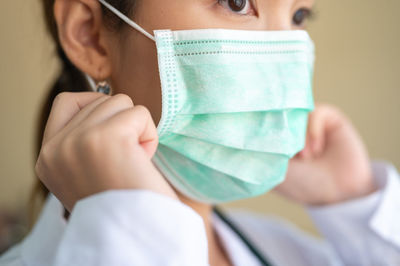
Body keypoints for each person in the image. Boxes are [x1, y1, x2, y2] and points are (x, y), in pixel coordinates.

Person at [1, 0, 399, 265]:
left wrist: (358, 201)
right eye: (237, 1)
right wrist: (129, 224)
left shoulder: (293, 251)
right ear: (90, 35)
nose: (284, 53)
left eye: (298, 16)